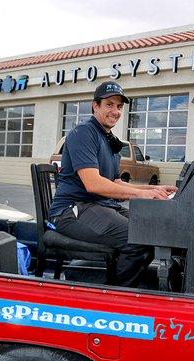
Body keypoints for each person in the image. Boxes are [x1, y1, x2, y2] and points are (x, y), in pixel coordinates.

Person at [49, 81, 177, 287]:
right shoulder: (84, 133)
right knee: (139, 238)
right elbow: (94, 184)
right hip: (71, 211)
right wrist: (142, 195)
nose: (115, 111)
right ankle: (116, 297)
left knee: (153, 228)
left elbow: (114, 184)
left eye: (119, 106)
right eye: (109, 104)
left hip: (100, 206)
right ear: (95, 106)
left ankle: (124, 285)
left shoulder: (108, 138)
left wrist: (153, 189)